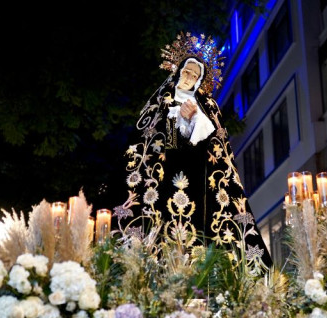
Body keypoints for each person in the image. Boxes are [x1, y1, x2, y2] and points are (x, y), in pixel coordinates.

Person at [114, 33, 272, 274]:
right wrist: (176, 120)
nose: (189, 77)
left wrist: (194, 120)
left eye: (195, 75)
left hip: (200, 184)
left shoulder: (208, 107)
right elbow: (150, 143)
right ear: (179, 71)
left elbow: (217, 147)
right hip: (163, 182)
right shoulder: (160, 103)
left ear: (199, 81)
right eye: (187, 72)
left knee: (202, 243)